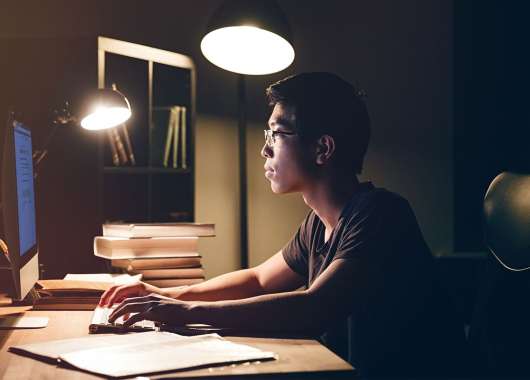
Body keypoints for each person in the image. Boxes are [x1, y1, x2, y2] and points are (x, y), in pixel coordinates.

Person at [101, 72, 467, 378]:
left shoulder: (380, 215)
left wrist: (188, 313)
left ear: (323, 149)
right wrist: (170, 296)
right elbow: (258, 279)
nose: (265, 150)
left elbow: (315, 307)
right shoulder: (317, 224)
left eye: (276, 134)